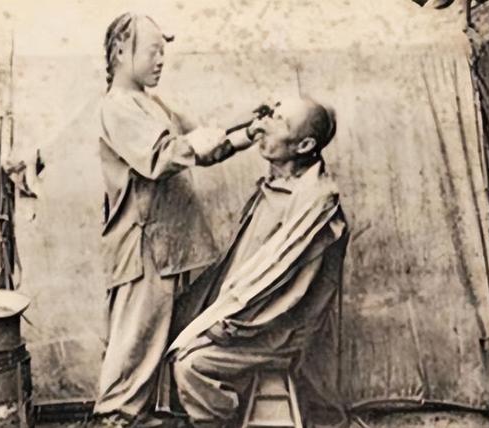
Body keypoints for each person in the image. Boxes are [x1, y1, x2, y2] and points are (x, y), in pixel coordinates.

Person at [92, 12, 257, 427]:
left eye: (163, 52)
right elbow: (160, 157)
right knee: (135, 339)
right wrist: (196, 142)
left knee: (156, 335)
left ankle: (140, 416)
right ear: (120, 52)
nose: (161, 60)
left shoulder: (152, 103)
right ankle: (113, 418)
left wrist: (246, 134)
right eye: (153, 51)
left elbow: (203, 148)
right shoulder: (117, 106)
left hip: (167, 244)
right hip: (144, 244)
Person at [169, 96, 349, 428]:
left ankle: (217, 422)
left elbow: (279, 287)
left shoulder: (316, 204)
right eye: (270, 114)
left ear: (305, 145)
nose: (263, 125)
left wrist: (226, 326)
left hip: (275, 328)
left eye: (278, 121)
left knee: (189, 364)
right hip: (246, 314)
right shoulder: (275, 186)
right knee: (166, 330)